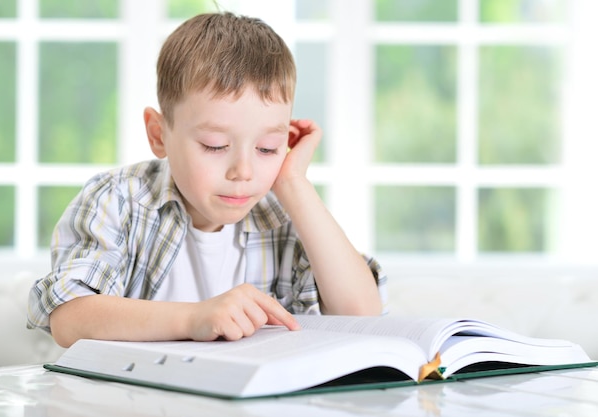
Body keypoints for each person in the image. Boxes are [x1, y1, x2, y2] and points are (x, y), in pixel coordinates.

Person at [27, 11, 388, 348]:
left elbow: (363, 316)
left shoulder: (283, 215)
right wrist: (194, 318)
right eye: (215, 146)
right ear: (158, 134)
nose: (243, 172)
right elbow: (69, 318)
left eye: (267, 148)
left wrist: (294, 183)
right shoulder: (119, 201)